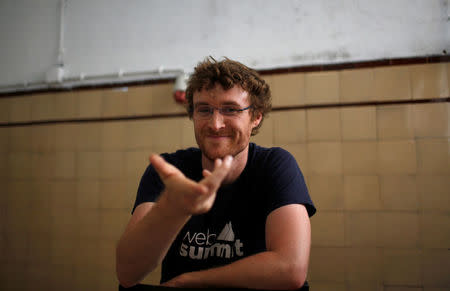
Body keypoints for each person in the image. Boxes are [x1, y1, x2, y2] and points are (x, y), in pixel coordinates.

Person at [116, 57, 316, 290]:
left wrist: (192, 280)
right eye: (204, 110)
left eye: (230, 109)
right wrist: (172, 208)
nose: (215, 123)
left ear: (256, 116)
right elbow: (127, 273)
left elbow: (290, 269)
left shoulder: (275, 165)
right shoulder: (170, 172)